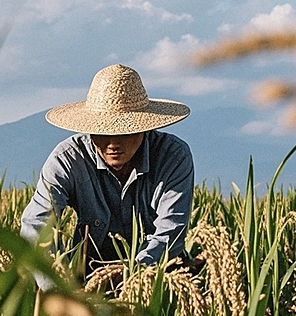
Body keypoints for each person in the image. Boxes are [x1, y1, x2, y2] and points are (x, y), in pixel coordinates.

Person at [20, 64, 194, 279]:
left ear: (145, 128)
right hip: (86, 272)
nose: (113, 143)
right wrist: (61, 289)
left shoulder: (173, 156)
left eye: (124, 133)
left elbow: (171, 231)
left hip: (155, 274)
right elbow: (35, 225)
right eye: (103, 132)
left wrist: (134, 273)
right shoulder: (67, 159)